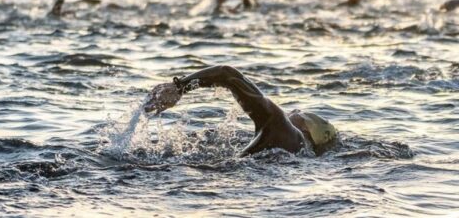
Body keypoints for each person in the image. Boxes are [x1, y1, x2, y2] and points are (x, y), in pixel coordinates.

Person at [144, 65, 339, 156]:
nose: (292, 112)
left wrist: (180, 87)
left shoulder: (281, 124)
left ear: (305, 126)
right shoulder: (299, 149)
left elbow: (227, 73)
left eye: (298, 113)